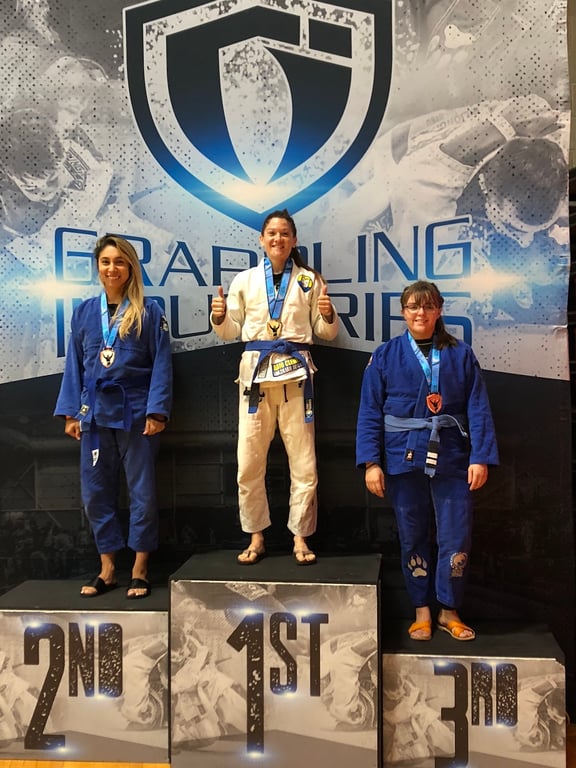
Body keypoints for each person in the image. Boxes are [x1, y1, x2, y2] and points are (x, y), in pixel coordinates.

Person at [356, 280, 498, 640]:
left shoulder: (461, 354)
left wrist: (480, 457)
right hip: (402, 455)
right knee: (412, 534)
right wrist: (371, 462)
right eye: (413, 307)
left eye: (428, 306)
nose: (420, 313)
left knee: (456, 534)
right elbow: (370, 411)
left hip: (452, 454)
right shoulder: (385, 355)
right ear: (403, 312)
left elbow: (478, 408)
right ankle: (421, 609)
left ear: (439, 310)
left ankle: (449, 610)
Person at [210, 209, 338, 565]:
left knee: (304, 464)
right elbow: (230, 331)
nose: (278, 239)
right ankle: (255, 536)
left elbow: (325, 332)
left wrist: (327, 313)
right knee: (248, 464)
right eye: (272, 233)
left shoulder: (309, 280)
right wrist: (219, 315)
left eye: (284, 233)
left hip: (296, 378)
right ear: (261, 240)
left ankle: (300, 537)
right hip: (255, 379)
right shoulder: (245, 280)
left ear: (293, 240)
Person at [54, 234, 172, 598]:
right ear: (98, 267)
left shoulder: (149, 311)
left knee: (142, 493)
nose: (112, 268)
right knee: (95, 493)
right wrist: (70, 413)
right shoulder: (84, 312)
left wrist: (157, 411)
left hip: (135, 411)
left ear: (131, 267)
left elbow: (162, 364)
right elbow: (74, 365)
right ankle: (107, 569)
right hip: (93, 414)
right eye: (105, 261)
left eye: (119, 261)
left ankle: (139, 567)